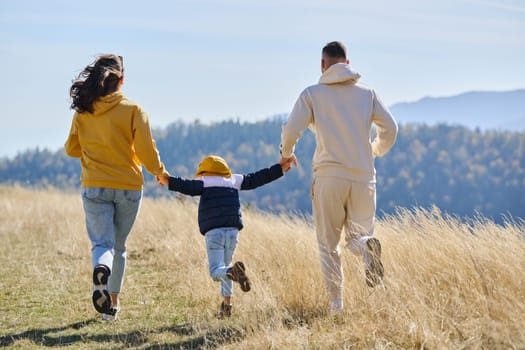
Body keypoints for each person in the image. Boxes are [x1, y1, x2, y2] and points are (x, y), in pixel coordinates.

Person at [280, 41, 398, 314]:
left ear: (323, 64)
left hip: (329, 177)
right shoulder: (368, 95)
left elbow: (291, 130)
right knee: (359, 236)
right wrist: (375, 150)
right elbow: (391, 128)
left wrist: (286, 153)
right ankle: (367, 245)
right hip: (363, 177)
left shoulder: (312, 94)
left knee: (328, 245)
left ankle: (337, 306)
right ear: (348, 61)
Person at [64, 54, 169, 321]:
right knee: (119, 246)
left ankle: (101, 268)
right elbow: (146, 151)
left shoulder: (84, 111)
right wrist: (160, 172)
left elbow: (71, 148)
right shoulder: (134, 110)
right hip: (128, 187)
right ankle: (111, 307)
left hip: (94, 185)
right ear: (121, 80)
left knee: (102, 244)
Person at [156, 154, 295, 318]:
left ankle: (231, 282)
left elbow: (183, 185)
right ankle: (227, 307)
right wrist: (279, 168)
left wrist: (165, 178)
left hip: (214, 232)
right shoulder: (234, 180)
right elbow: (258, 178)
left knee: (217, 271)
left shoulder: (203, 182)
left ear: (204, 172)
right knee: (228, 268)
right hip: (232, 232)